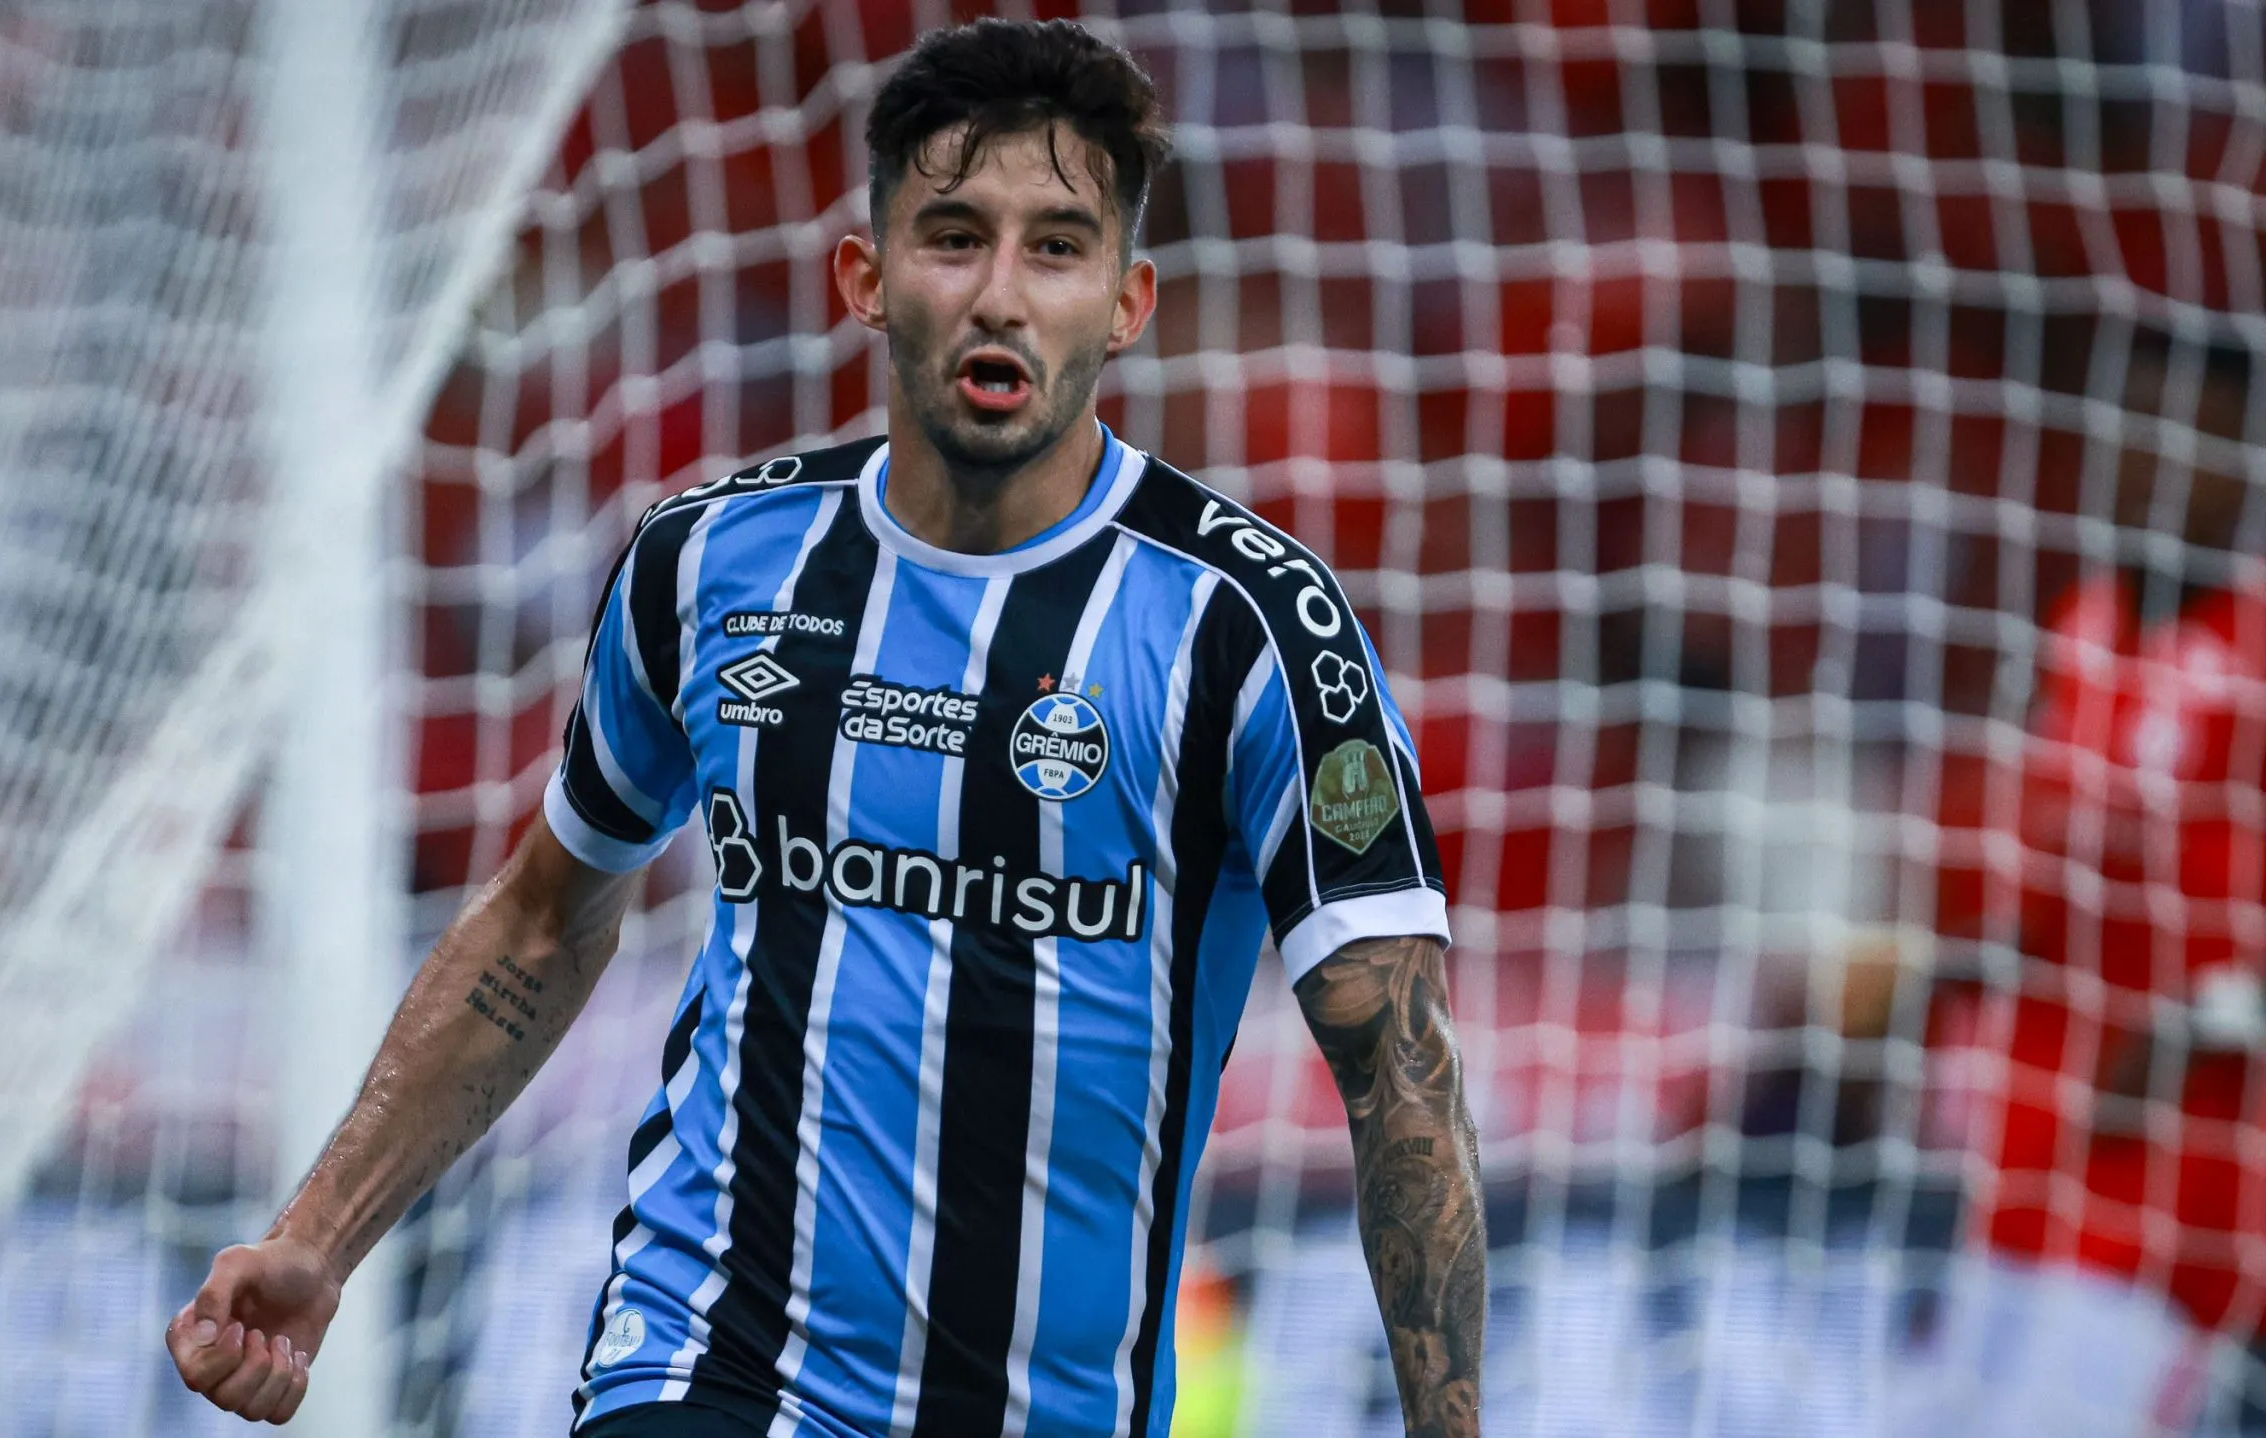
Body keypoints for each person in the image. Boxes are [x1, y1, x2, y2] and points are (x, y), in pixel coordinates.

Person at [163, 19, 1481, 1437]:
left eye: (1056, 247)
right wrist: (320, 1232)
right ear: (865, 276)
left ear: (1127, 301)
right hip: (709, 1364)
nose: (999, 294)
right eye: (953, 236)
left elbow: (1397, 1070)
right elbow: (546, 919)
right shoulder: (710, 562)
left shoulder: (1254, 629)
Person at [1921, 331, 2265, 1429]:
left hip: (2172, 1185)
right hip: (2022, 1162)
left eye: (2191, 436)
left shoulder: (2253, 656)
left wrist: (2193, 1022)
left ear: (2240, 463)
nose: (2153, 461)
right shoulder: (2081, 631)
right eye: (2136, 428)